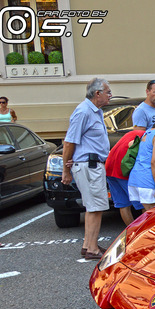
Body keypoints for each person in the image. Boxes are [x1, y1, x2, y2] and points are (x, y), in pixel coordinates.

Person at [61, 78, 112, 260]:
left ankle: (88, 244)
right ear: (97, 93)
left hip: (93, 165)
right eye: (108, 92)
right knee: (95, 207)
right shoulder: (83, 111)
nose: (110, 95)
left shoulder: (95, 111)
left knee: (94, 207)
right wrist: (65, 171)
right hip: (89, 166)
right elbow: (69, 142)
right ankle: (92, 249)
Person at [105, 130, 145, 225]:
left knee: (123, 205)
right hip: (123, 169)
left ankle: (132, 234)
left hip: (109, 167)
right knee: (144, 204)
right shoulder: (149, 136)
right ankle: (143, 234)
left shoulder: (133, 132)